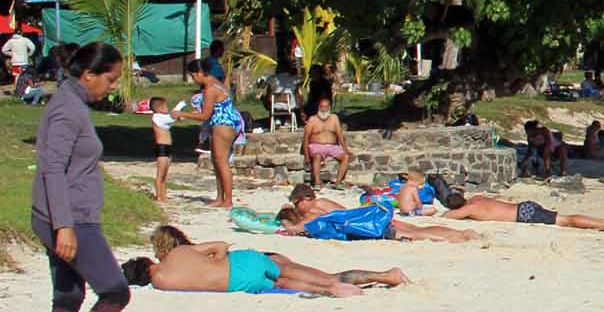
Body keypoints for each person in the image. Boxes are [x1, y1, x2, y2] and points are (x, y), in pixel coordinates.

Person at [33, 42, 128, 312]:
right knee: (116, 292)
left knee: (68, 298)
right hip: (71, 219)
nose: (112, 86)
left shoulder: (70, 104)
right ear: (88, 75)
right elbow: (51, 169)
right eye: (110, 79)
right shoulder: (67, 111)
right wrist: (65, 226)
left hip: (66, 216)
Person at [126, 225, 407, 297]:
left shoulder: (162, 283)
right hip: (245, 262)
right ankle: (384, 275)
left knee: (286, 281)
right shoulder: (180, 253)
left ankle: (330, 289)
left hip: (242, 283)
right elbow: (222, 246)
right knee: (314, 273)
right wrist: (218, 260)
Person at [171, 57, 245, 209]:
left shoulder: (210, 89)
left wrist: (181, 114)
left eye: (193, 76)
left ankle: (228, 200)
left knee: (221, 163)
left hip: (222, 125)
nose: (194, 79)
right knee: (217, 162)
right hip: (225, 123)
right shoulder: (218, 85)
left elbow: (205, 115)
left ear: (200, 73)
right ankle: (220, 197)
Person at [279, 199, 477, 242]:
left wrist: (284, 222)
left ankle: (460, 237)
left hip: (370, 228)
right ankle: (460, 233)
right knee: (414, 229)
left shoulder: (311, 219)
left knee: (416, 234)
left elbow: (293, 229)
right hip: (371, 220)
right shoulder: (318, 210)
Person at [437, 191, 604, 232]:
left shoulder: (471, 208)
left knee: (566, 221)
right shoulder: (477, 198)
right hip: (523, 207)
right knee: (565, 219)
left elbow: (447, 217)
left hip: (523, 215)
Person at [300, 94, 351, 186]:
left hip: (332, 146)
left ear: (329, 107)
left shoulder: (334, 118)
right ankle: (317, 183)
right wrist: (306, 156)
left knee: (346, 157)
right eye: (321, 107)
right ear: (318, 107)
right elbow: (306, 139)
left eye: (326, 107)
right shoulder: (312, 120)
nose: (323, 109)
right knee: (317, 156)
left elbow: (340, 136)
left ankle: (338, 183)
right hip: (316, 146)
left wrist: (346, 150)